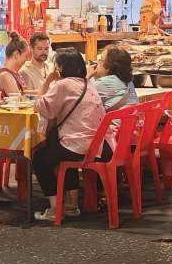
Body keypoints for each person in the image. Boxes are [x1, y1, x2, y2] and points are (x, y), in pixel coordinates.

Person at [32, 48, 112, 222]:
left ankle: (54, 209)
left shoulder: (63, 85)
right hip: (101, 145)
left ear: (61, 67)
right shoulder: (87, 83)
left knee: (39, 158)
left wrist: (47, 81)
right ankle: (71, 205)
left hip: (80, 145)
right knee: (62, 152)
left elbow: (41, 106)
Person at [90, 46, 138, 111]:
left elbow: (81, 100)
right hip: (132, 119)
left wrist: (87, 77)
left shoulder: (102, 83)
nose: (97, 62)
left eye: (101, 60)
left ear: (109, 66)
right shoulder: (129, 81)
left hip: (113, 120)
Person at [0, 31, 30, 97]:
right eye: (25, 56)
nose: (26, 60)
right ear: (16, 54)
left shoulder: (14, 73)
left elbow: (24, 93)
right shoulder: (5, 75)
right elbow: (18, 100)